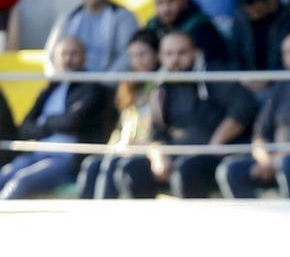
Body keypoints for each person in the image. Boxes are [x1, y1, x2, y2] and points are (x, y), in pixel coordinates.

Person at [116, 31, 258, 198]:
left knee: (185, 170)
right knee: (131, 169)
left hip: (214, 154)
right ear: (161, 56)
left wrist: (218, 141)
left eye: (181, 53)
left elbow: (244, 106)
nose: (175, 59)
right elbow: (157, 133)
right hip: (176, 154)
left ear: (194, 52)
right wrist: (158, 158)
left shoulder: (212, 73)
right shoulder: (160, 88)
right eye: (169, 54)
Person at [1, 37, 112, 198]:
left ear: (85, 57)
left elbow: (72, 121)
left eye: (74, 54)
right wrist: (54, 123)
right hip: (37, 154)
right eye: (64, 54)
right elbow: (25, 128)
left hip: (66, 159)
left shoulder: (92, 88)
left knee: (21, 181)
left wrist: (44, 122)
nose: (68, 59)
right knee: (5, 174)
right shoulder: (50, 89)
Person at [215, 32, 290, 199]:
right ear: (283, 58)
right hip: (275, 159)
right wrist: (264, 159)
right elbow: (260, 134)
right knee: (230, 169)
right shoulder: (279, 89)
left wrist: (278, 159)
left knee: (288, 164)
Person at [77, 30, 160, 199]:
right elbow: (120, 127)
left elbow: (158, 131)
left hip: (147, 150)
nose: (137, 62)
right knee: (92, 164)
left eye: (143, 54)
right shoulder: (129, 87)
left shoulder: (162, 87)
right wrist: (113, 147)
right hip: (126, 148)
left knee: (113, 165)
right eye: (133, 56)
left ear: (157, 55)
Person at [45, 0, 139, 73]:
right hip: (72, 84)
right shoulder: (68, 18)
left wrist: (103, 82)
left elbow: (127, 57)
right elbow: (52, 54)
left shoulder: (124, 17)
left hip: (107, 86)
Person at [145, 0, 230, 69]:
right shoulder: (152, 26)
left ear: (184, 0)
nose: (166, 8)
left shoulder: (201, 28)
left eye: (171, 1)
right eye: (160, 2)